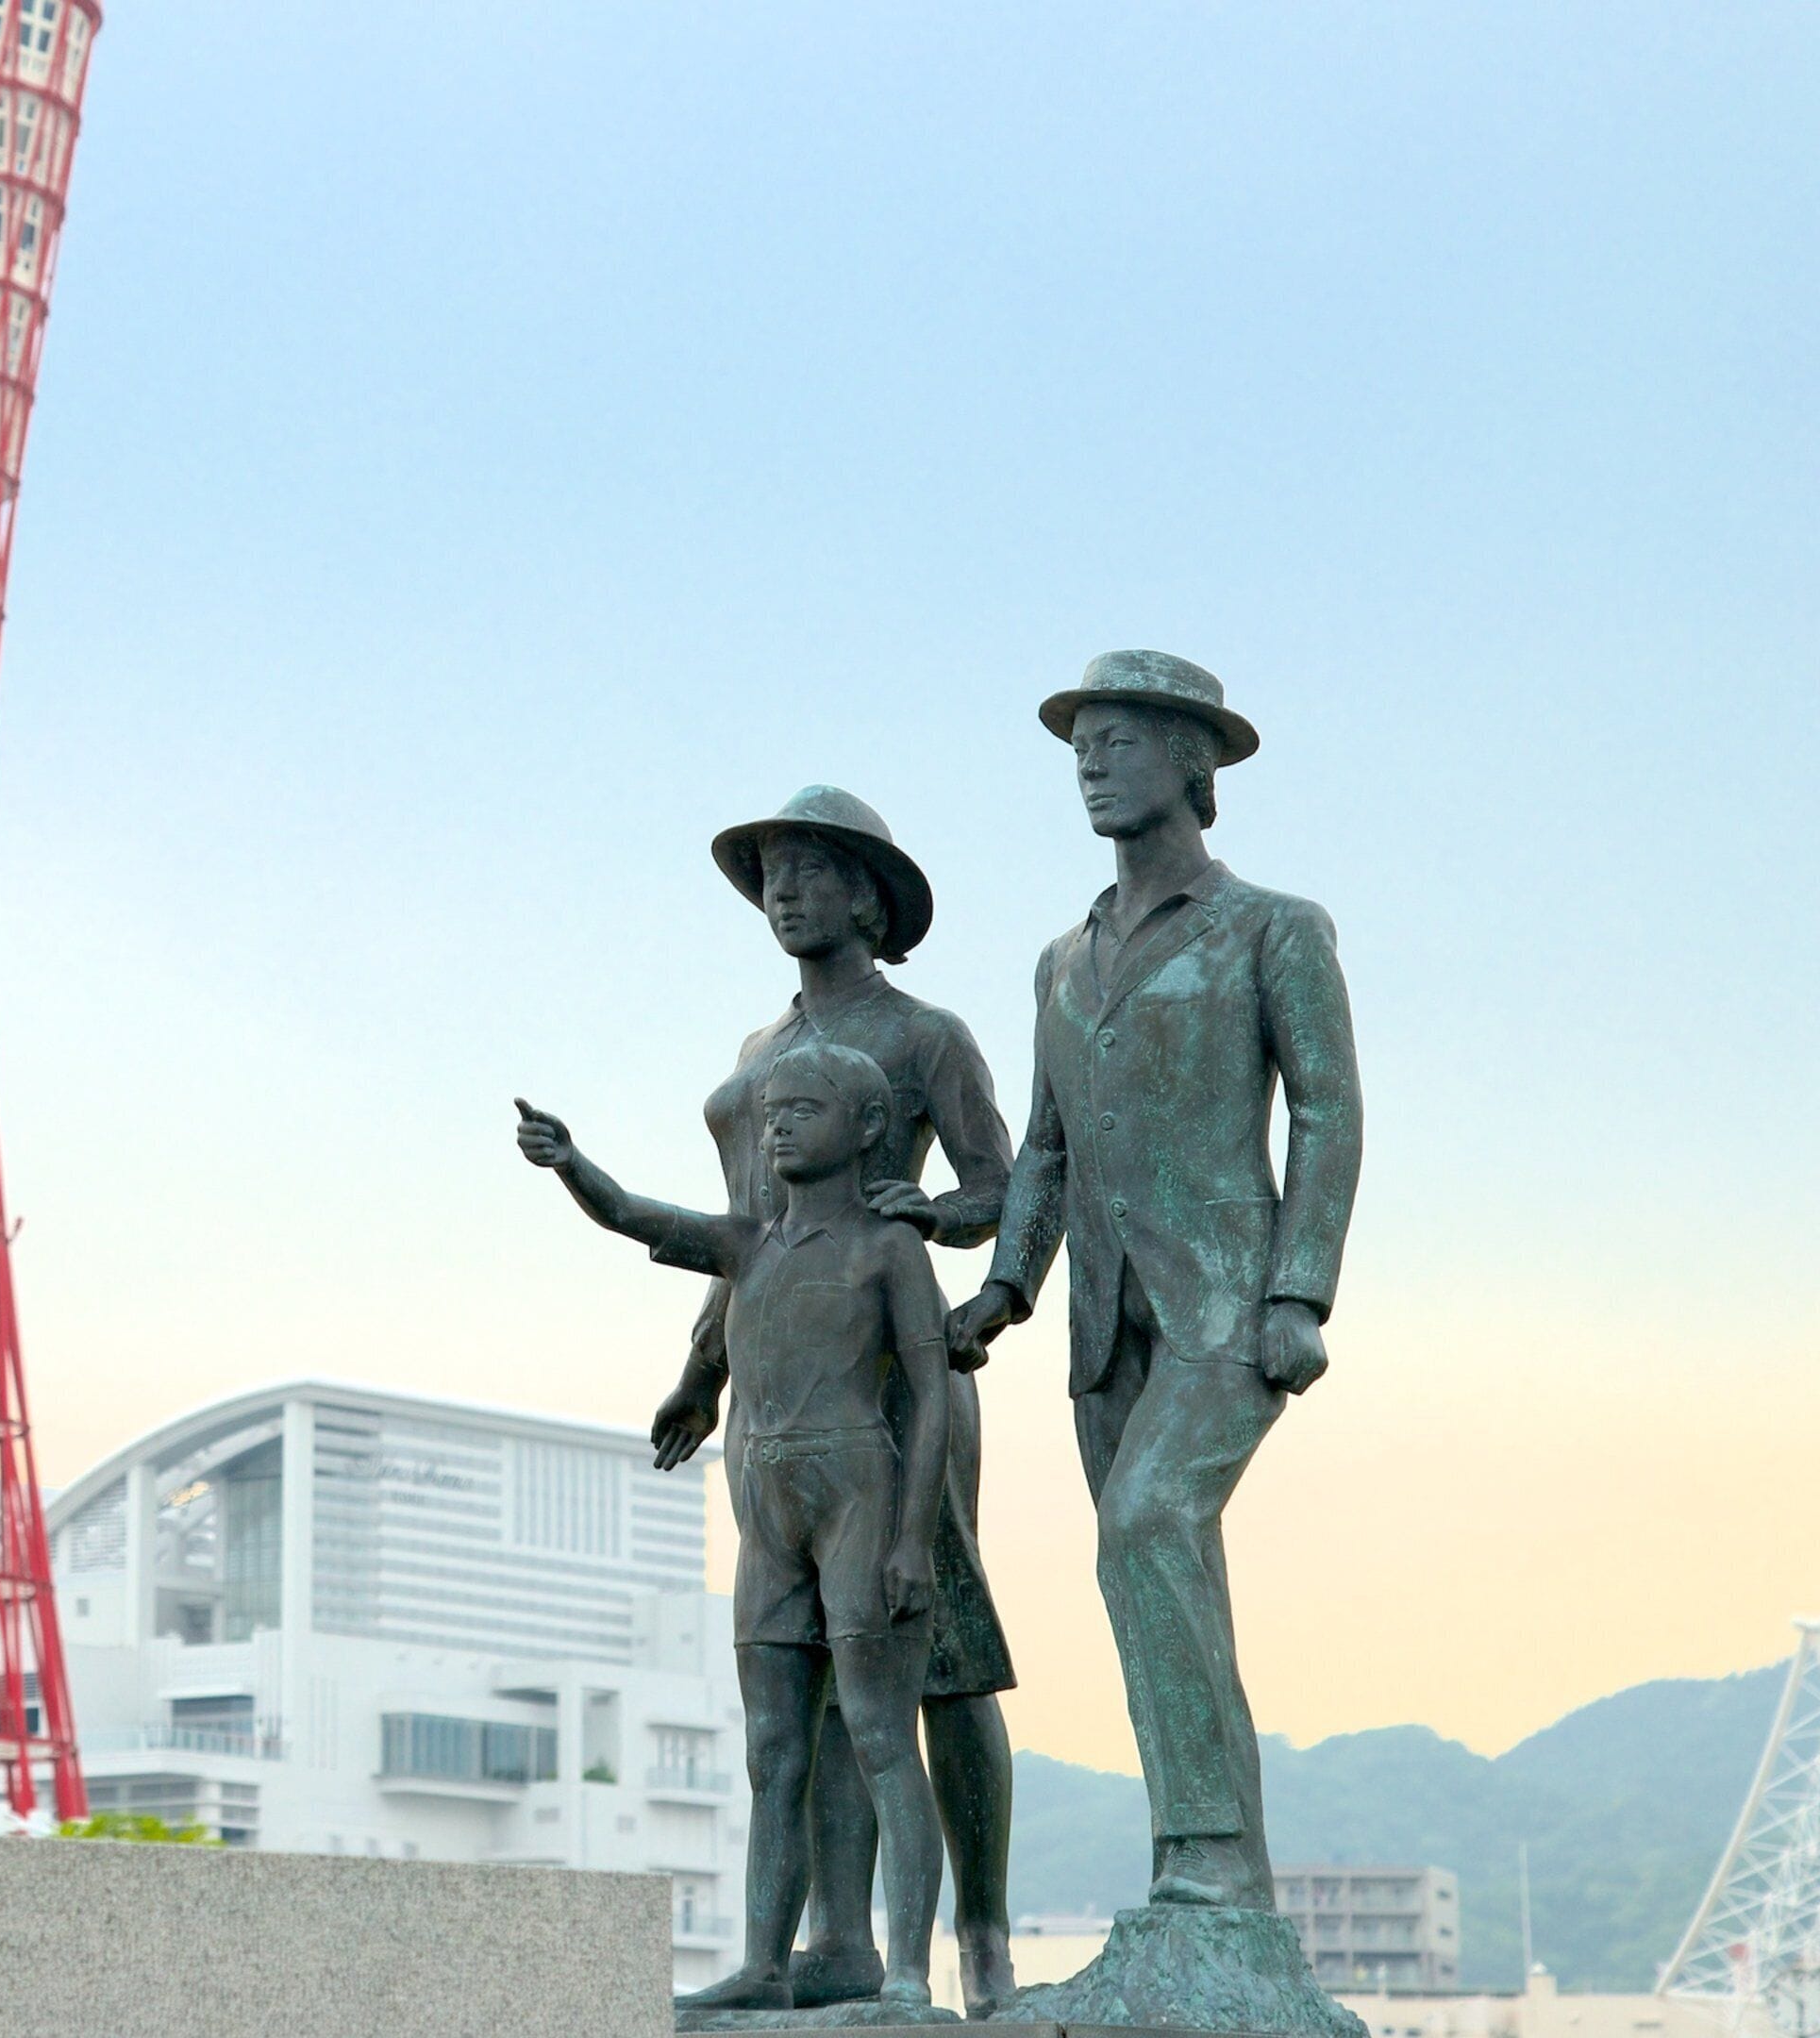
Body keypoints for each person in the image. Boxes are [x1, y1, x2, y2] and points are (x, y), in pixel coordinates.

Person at [946, 651, 1364, 1913]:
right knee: (1150, 1572)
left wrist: (1301, 1292)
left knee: (1149, 1529)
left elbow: (1329, 1111)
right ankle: (1209, 1867)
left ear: (1193, 762)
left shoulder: (1272, 929)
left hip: (1226, 1304)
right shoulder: (1057, 961)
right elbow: (1046, 1148)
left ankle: (1209, 1865)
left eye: (1120, 739)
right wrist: (1006, 1291)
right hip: (1100, 1321)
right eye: (1081, 742)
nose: (1091, 761)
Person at [648, 785, 1018, 2013]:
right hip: (778, 1390)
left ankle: (980, 1936)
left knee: (943, 1660)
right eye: (771, 876)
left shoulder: (925, 1036)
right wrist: (705, 1367)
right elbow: (747, 1235)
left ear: (869, 894)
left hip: (895, 1377)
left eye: (811, 871)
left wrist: (934, 1219)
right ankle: (830, 1945)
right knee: (798, 1679)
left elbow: (1003, 1192)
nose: (786, 894)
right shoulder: (762, 1058)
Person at [514, 1045, 953, 2021]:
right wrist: (570, 1162)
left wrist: (913, 1538)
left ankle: (912, 1969)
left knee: (882, 1732)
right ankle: (762, 1958)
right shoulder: (749, 1243)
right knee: (772, 1748)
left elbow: (929, 1395)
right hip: (765, 1504)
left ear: (867, 1128)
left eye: (804, 1109)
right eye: (771, 1112)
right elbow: (637, 1217)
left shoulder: (888, 1248)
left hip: (858, 1491)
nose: (779, 1125)